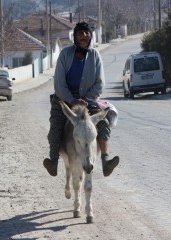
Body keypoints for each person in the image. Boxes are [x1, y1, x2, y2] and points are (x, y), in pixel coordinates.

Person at [43, 22, 119, 177]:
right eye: (80, 34)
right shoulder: (65, 54)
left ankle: (105, 160)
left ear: (90, 36)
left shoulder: (95, 55)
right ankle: (53, 161)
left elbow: (100, 83)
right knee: (56, 125)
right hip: (65, 99)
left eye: (87, 33)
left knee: (103, 124)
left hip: (88, 100)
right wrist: (72, 100)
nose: (84, 36)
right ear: (75, 38)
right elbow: (59, 83)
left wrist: (86, 98)